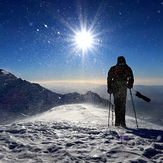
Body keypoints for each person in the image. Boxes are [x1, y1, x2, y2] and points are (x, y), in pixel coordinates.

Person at [107, 56, 134, 127]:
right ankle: (122, 123)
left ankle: (118, 123)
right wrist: (130, 84)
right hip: (123, 89)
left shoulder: (113, 69)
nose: (121, 65)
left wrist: (109, 88)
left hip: (116, 89)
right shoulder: (127, 68)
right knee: (122, 105)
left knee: (118, 105)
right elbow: (131, 77)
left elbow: (109, 79)